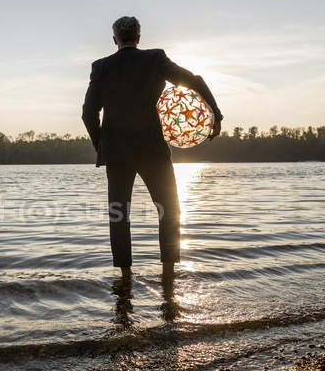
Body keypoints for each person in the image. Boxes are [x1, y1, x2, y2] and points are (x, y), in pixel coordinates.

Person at [82, 16, 223, 279]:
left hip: (117, 152)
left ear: (115, 40)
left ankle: (126, 275)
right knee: (168, 209)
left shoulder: (100, 67)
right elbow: (193, 80)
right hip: (152, 149)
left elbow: (88, 113)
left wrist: (102, 145)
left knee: (119, 214)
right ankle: (168, 272)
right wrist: (216, 114)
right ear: (138, 37)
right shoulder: (155, 59)